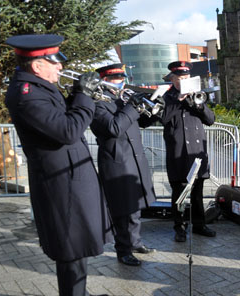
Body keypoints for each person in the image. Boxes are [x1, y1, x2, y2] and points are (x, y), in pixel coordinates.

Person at [4, 34, 111, 296]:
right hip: (59, 182)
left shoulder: (40, 86)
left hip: (70, 177)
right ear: (38, 65)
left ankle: (80, 295)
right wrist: (85, 96)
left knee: (78, 243)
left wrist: (79, 94)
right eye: (55, 63)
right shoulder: (26, 94)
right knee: (69, 247)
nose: (61, 69)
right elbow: (67, 131)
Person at [90, 63, 157, 266]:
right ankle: (123, 249)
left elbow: (140, 123)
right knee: (121, 210)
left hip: (135, 159)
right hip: (117, 161)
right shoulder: (97, 103)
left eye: (122, 78)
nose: (120, 82)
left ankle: (135, 242)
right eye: (115, 79)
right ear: (104, 81)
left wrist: (153, 111)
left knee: (135, 205)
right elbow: (114, 127)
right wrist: (131, 107)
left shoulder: (123, 100)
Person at [160, 61, 216, 242]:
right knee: (179, 193)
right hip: (178, 152)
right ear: (173, 80)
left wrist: (197, 105)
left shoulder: (196, 96)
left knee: (197, 191)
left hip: (197, 152)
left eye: (186, 78)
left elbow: (210, 120)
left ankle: (199, 224)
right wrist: (179, 100)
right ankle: (180, 227)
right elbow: (163, 117)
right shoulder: (167, 97)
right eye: (179, 78)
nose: (183, 81)